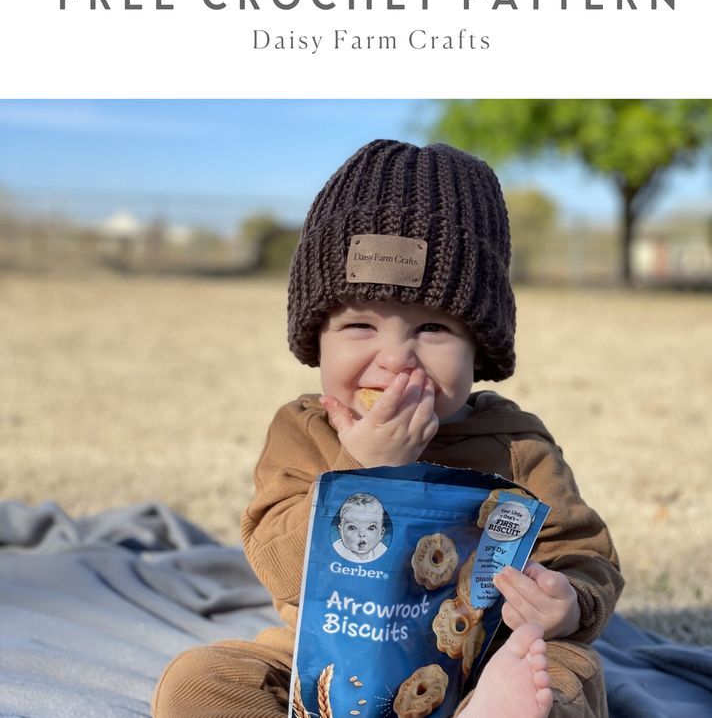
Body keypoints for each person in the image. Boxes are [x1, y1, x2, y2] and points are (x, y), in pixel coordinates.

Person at [153, 140, 622, 718]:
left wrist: (568, 604)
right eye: (359, 325)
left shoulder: (515, 444)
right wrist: (362, 472)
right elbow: (278, 564)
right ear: (315, 339)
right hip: (321, 662)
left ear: (481, 346)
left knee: (566, 676)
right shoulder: (306, 433)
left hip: (484, 665)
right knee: (199, 682)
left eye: (431, 327)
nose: (396, 358)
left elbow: (585, 556)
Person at [333, 493, 389, 561]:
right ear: (340, 531)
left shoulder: (381, 551)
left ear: (381, 533)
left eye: (371, 528)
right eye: (352, 527)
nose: (361, 534)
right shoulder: (336, 550)